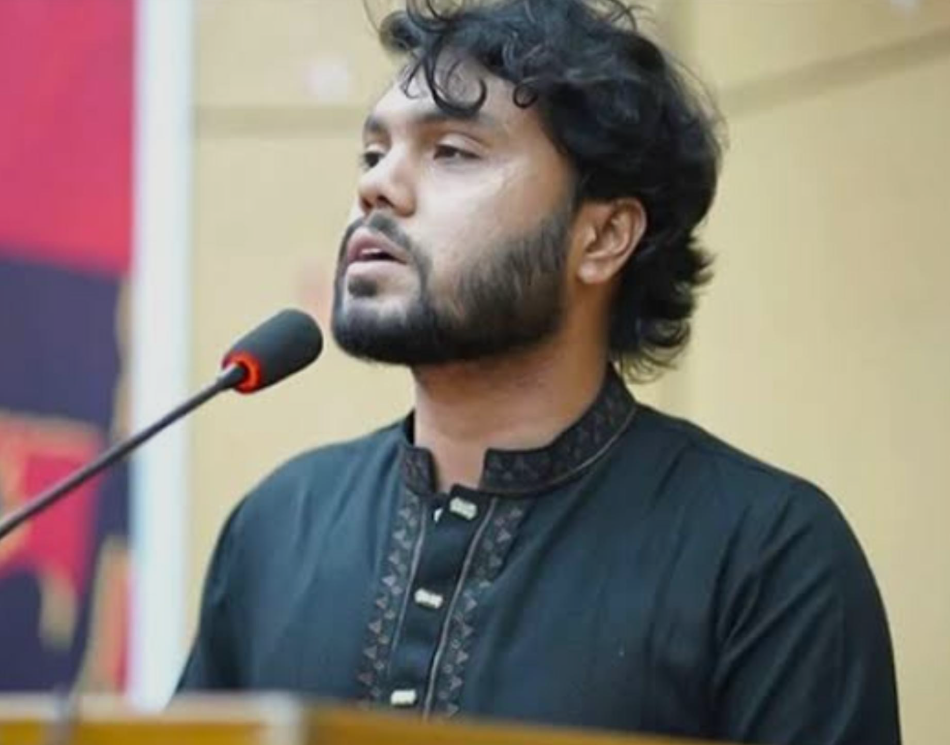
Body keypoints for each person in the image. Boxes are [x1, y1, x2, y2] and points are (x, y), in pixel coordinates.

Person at [178, 1, 901, 743]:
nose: (378, 187)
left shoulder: (767, 555)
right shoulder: (277, 527)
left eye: (451, 151)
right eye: (372, 154)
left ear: (603, 236)